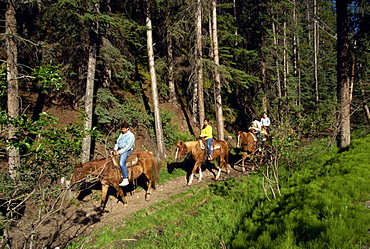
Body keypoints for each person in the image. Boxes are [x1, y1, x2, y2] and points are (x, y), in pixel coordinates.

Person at [110, 122, 135, 187]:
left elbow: (127, 147)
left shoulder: (131, 136)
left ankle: (125, 178)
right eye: (122, 129)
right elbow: (117, 142)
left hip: (127, 151)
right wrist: (115, 150)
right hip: (120, 150)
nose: (123, 130)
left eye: (124, 129)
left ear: (128, 128)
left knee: (121, 163)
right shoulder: (121, 134)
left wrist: (119, 152)